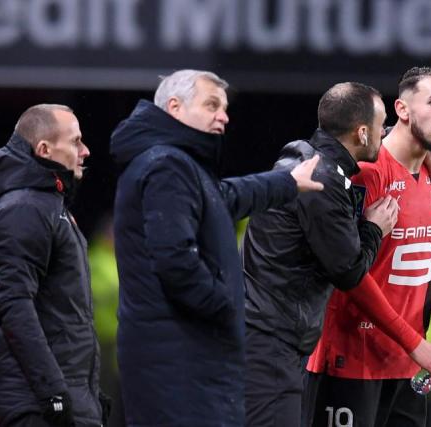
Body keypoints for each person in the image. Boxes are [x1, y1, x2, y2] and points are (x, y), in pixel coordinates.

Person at [110, 69, 322, 427]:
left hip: (182, 357)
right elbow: (176, 260)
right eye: (211, 105)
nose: (223, 116)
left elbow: (227, 196)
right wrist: (225, 306)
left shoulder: (176, 163)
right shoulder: (167, 165)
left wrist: (287, 182)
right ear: (174, 107)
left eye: (224, 108)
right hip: (179, 361)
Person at [242, 81, 431, 427]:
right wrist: (372, 230)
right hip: (306, 349)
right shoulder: (341, 179)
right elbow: (349, 272)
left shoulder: (426, 173)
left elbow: (420, 248)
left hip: (305, 344)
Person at [305, 67, 431, 427]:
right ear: (402, 109)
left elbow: (421, 252)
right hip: (352, 360)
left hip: (406, 365)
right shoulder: (366, 171)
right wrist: (414, 342)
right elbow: (349, 273)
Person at [0, 104, 106, 426]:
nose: (86, 151)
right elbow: (13, 306)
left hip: (63, 397)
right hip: (40, 405)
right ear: (45, 149)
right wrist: (53, 392)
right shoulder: (23, 210)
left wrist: (89, 394)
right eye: (76, 142)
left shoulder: (47, 206)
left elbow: (61, 314)